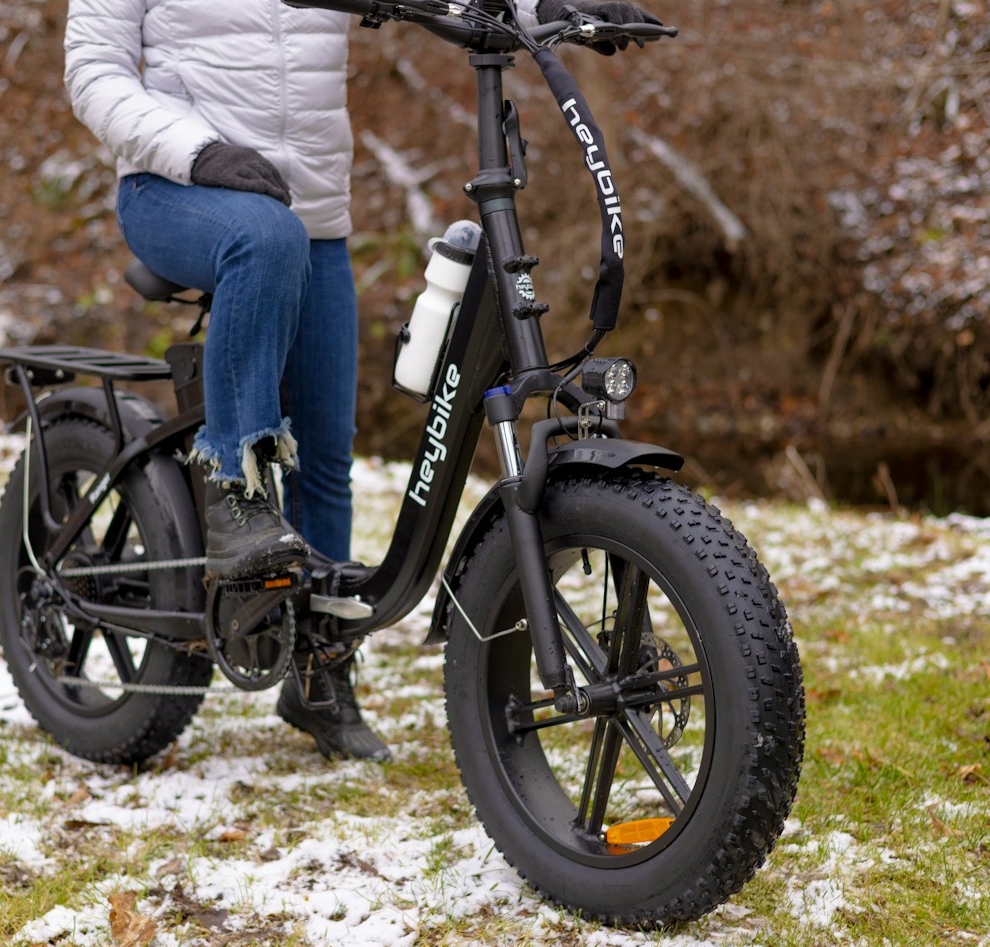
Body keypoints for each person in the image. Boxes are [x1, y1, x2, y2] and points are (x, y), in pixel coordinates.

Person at [64, 0, 659, 760]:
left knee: (327, 454)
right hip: (173, 188)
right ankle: (232, 493)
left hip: (307, 213)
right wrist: (197, 150)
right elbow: (93, 73)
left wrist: (550, 6)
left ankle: (320, 671)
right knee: (261, 235)